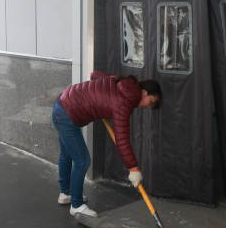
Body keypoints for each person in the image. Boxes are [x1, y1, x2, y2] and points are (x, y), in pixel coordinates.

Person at [53, 71, 162, 217]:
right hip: (67, 114)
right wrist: (134, 169)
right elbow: (122, 139)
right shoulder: (125, 103)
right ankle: (76, 205)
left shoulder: (123, 82)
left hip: (62, 104)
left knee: (66, 155)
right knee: (82, 161)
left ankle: (66, 194)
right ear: (144, 92)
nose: (149, 107)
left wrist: (99, 96)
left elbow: (94, 75)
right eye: (152, 102)